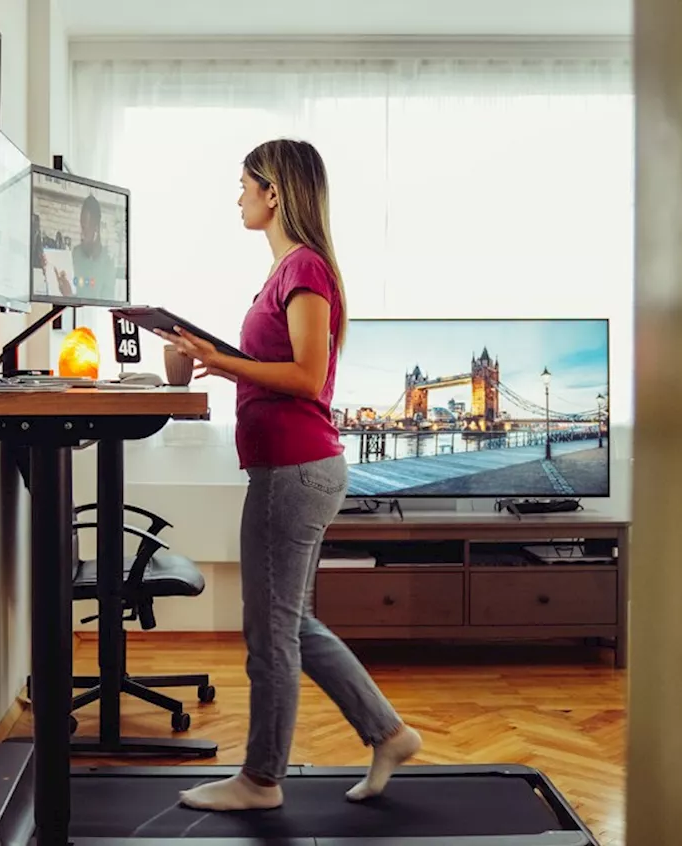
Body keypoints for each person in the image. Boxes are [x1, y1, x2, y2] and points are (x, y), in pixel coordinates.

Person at [157, 138, 422, 812]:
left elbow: (306, 377)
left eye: (244, 184)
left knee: (268, 630)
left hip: (295, 469)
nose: (237, 197)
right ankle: (388, 732)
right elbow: (273, 367)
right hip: (292, 466)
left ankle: (261, 779)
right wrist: (191, 355)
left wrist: (226, 360)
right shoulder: (284, 273)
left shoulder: (304, 269)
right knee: (294, 623)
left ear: (273, 193)